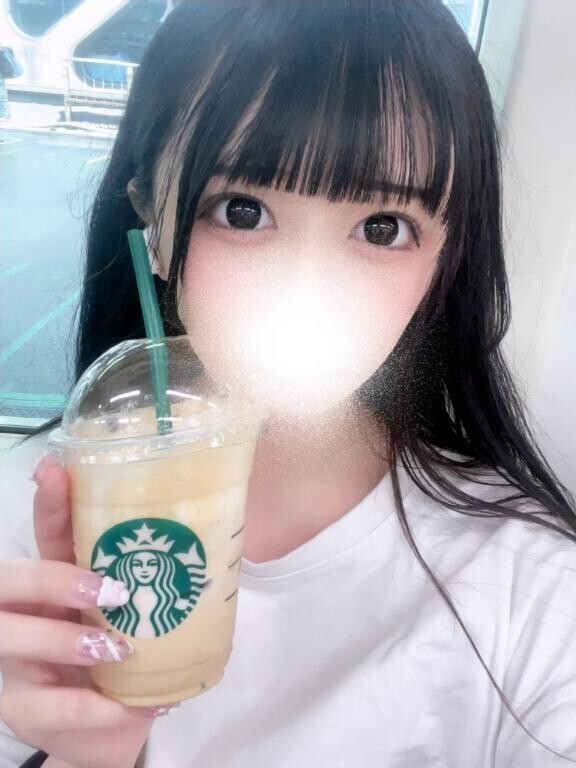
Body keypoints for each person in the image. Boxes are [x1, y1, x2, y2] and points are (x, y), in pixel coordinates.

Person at [1, 1, 576, 766]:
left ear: (446, 257)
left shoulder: (533, 593)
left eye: (383, 227)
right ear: (152, 225)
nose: (307, 291)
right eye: (242, 211)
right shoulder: (26, 528)